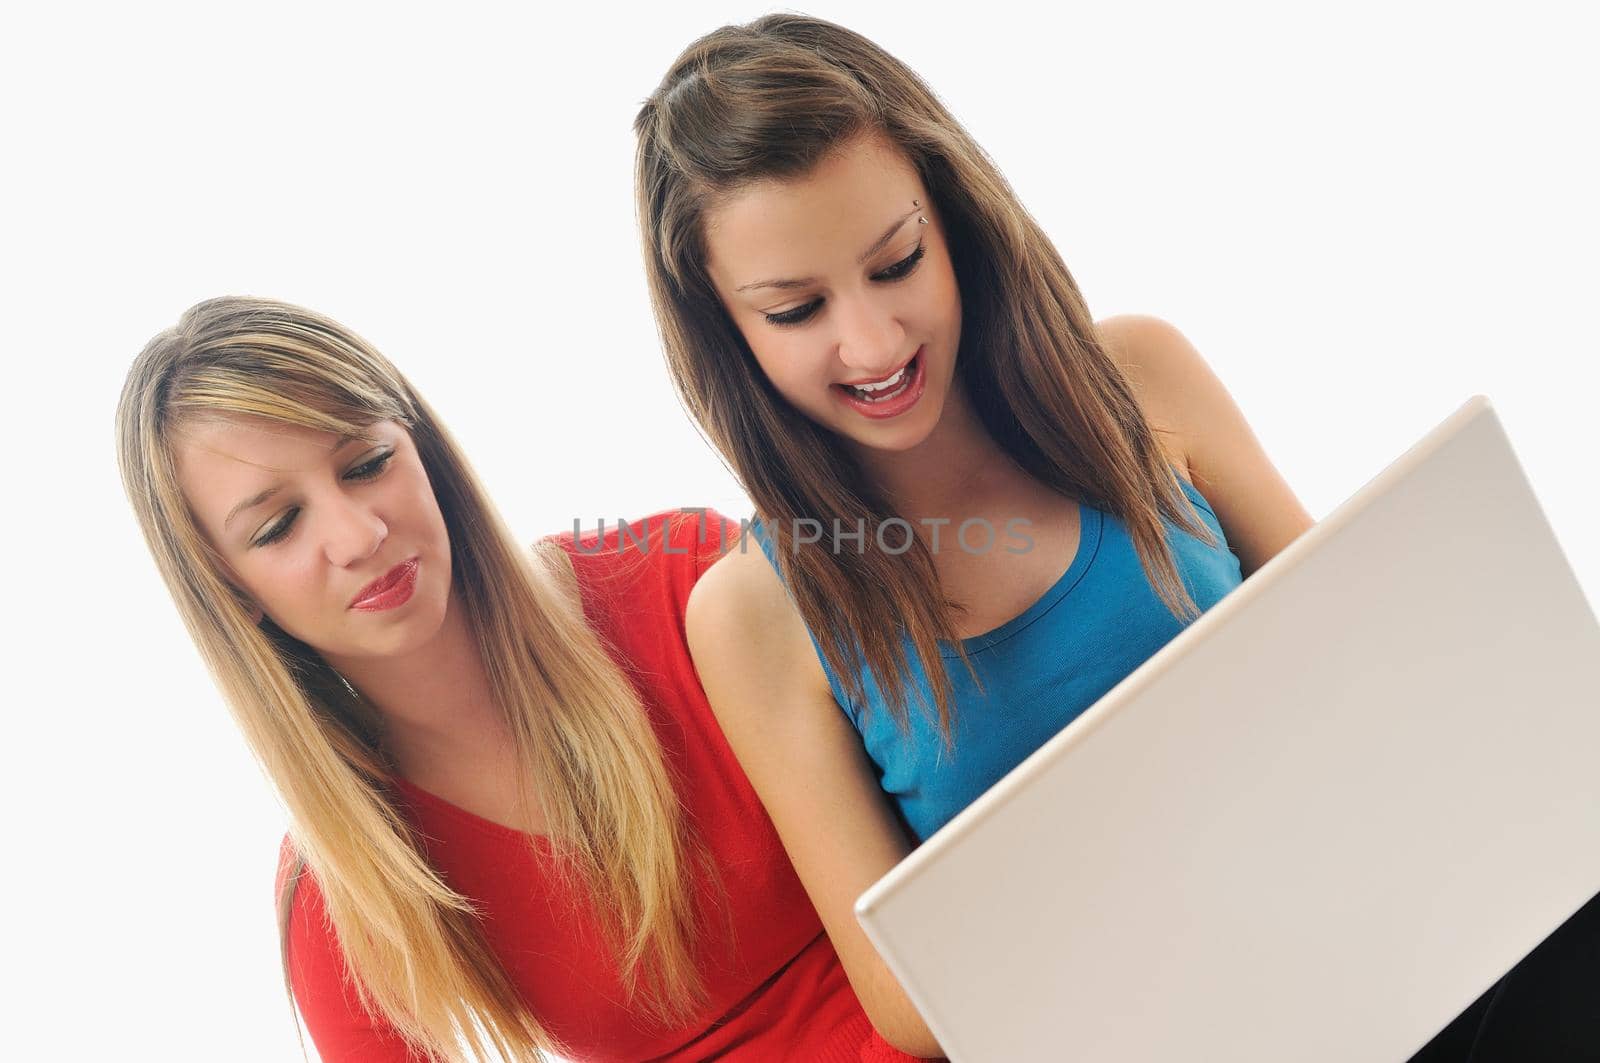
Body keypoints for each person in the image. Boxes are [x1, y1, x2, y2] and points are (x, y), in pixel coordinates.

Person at [632, 14, 1316, 1058]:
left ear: (951, 221)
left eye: (896, 261)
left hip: (1348, 905)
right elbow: (907, 1008)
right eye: (796, 309)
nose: (870, 340)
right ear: (725, 332)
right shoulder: (754, 612)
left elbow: (1352, 635)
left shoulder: (1139, 375)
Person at [114, 296, 928, 1062]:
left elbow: (970, 807)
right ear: (228, 592)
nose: (359, 533)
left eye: (367, 462)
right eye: (279, 525)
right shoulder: (340, 903)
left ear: (421, 448)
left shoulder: (686, 582)